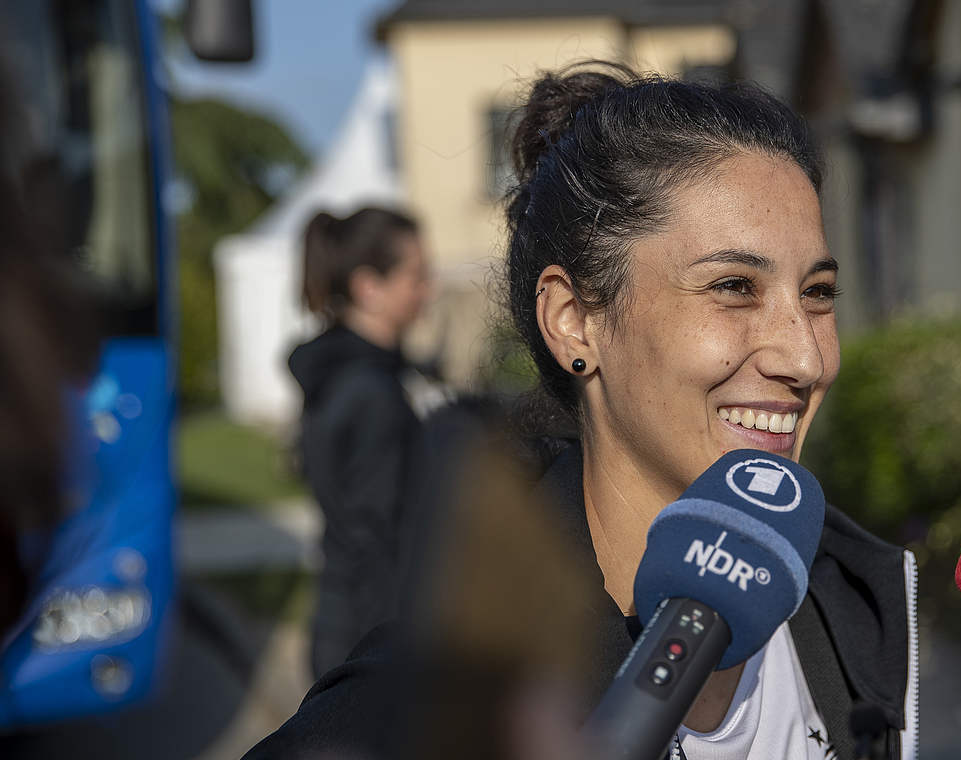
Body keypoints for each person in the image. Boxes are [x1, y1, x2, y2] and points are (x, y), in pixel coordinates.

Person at [248, 62, 920, 760]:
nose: (806, 360)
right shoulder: (442, 705)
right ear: (574, 321)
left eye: (818, 294)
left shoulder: (852, 609)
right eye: (733, 286)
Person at [288, 207, 434, 678]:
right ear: (368, 286)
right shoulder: (370, 393)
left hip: (346, 620)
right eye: (416, 277)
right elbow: (374, 540)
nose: (426, 291)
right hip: (366, 637)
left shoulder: (352, 375)